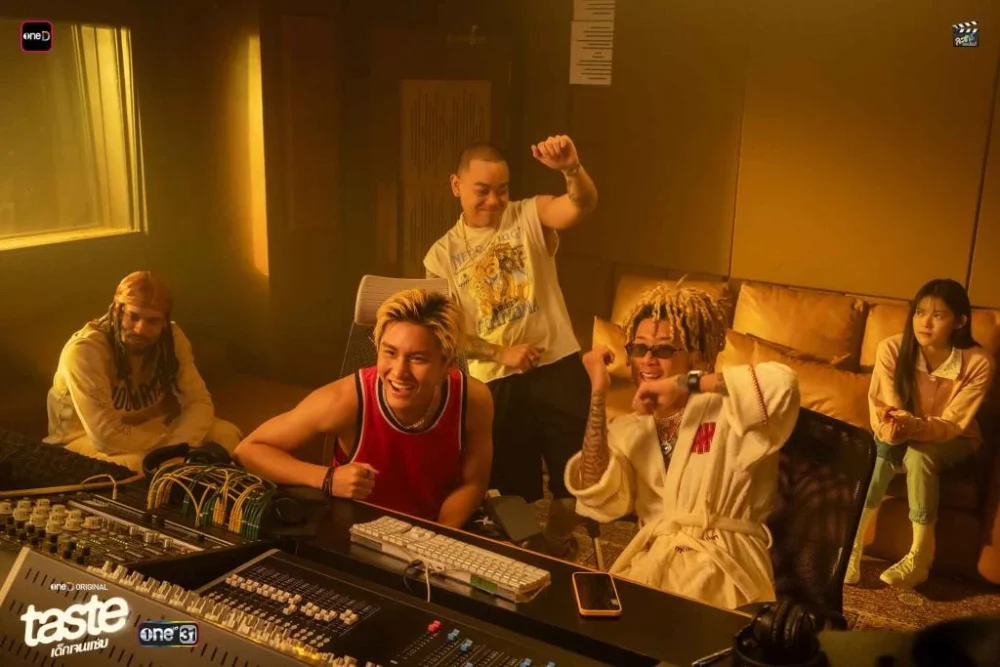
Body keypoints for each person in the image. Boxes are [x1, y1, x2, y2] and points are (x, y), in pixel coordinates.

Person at [564, 282, 801, 610]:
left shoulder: (729, 409)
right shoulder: (630, 429)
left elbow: (783, 383)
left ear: (698, 355)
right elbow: (596, 494)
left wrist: (685, 383)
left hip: (723, 566)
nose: (648, 359)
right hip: (654, 563)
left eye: (663, 350)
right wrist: (598, 394)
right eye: (639, 349)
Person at [423, 136, 598, 558]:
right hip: (496, 383)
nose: (494, 200)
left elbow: (580, 206)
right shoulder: (441, 256)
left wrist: (571, 169)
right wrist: (499, 353)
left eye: (501, 190)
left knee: (576, 482)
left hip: (557, 366)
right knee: (511, 490)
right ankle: (522, 556)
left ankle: (556, 542)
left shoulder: (528, 214)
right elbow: (445, 332)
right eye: (482, 190)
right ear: (456, 185)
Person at [233, 289, 493, 528]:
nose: (399, 372)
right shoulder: (343, 400)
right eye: (390, 353)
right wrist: (327, 478)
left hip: (437, 532)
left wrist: (438, 539)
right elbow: (249, 450)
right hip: (357, 536)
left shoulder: (473, 399)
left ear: (446, 364)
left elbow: (473, 482)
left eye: (417, 358)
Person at [846, 278, 994, 589]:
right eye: (920, 312)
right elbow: (884, 404)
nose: (925, 323)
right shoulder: (891, 348)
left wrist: (912, 427)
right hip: (901, 431)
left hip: (955, 439)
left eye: (938, 315)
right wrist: (893, 428)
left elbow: (954, 423)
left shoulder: (978, 363)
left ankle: (919, 558)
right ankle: (851, 548)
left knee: (919, 456)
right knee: (882, 451)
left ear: (960, 322)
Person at [44, 271, 242, 472]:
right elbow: (105, 436)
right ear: (117, 311)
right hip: (82, 439)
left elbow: (199, 402)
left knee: (227, 435)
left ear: (164, 321)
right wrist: (171, 450)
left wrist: (178, 445)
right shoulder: (85, 350)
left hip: (148, 427)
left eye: (152, 321)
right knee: (140, 466)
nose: (140, 329)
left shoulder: (171, 339)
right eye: (133, 316)